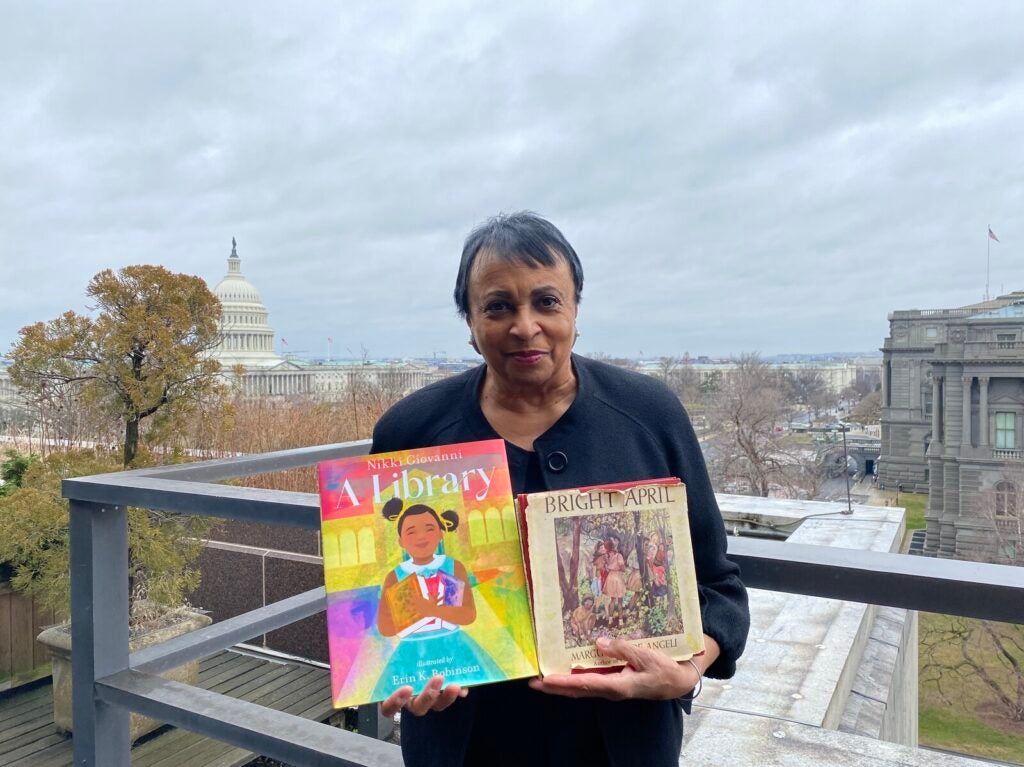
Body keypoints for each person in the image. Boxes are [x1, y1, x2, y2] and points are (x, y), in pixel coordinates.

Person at [370, 211, 749, 767]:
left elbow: (718, 587)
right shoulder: (411, 431)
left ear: (575, 310)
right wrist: (388, 672)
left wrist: (687, 670)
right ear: (470, 323)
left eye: (546, 302)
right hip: (462, 747)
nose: (525, 327)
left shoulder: (649, 415)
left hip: (621, 746)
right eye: (498, 306)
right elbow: (381, 617)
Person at [371, 497, 501, 702]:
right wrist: (410, 614)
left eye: (429, 528)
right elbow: (385, 627)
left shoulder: (452, 567)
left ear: (441, 533)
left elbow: (468, 615)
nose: (421, 537)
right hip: (411, 653)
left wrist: (433, 610)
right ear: (401, 541)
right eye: (411, 531)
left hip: (455, 647)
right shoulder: (395, 576)